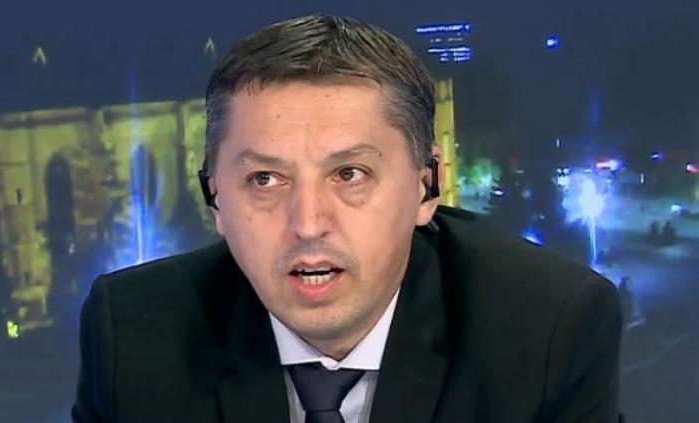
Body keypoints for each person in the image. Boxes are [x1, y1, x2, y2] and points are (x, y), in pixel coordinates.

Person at [72, 15, 623, 423]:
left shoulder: (546, 331)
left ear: (427, 185)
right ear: (214, 198)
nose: (309, 223)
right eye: (265, 179)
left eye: (350, 174)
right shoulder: (133, 335)